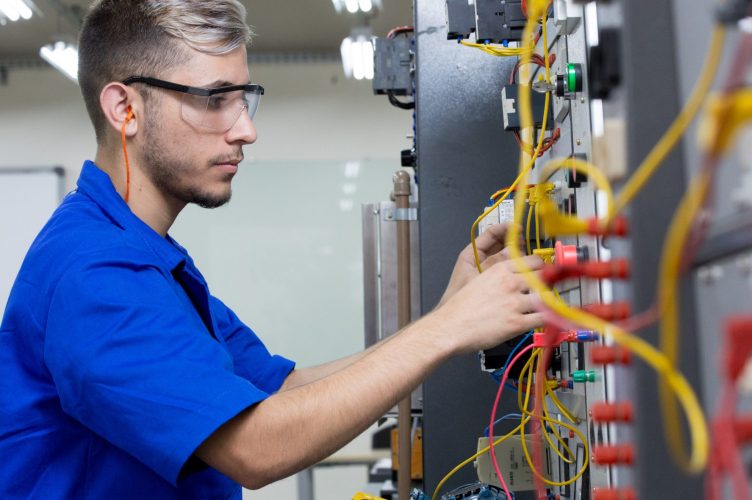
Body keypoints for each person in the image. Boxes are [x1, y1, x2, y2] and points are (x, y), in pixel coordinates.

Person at [0, 0, 543, 497]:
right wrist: (447, 330)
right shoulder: (94, 273)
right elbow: (256, 447)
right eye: (214, 99)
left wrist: (450, 312)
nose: (245, 131)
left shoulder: (146, 256)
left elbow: (284, 389)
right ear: (125, 109)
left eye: (244, 99)